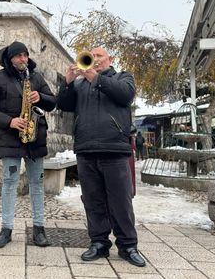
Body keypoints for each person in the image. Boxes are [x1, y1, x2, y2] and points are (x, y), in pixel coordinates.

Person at [57, 47, 145, 267]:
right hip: (86, 149)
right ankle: (98, 243)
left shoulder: (122, 78)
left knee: (120, 201)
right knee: (92, 200)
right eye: (91, 56)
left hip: (114, 150)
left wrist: (95, 78)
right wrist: (67, 82)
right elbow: (64, 105)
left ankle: (128, 246)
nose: (94, 60)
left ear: (110, 59)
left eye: (99, 56)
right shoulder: (80, 84)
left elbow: (125, 95)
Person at [0, 41, 56, 249]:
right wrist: (9, 121)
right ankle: (6, 229)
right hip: (10, 138)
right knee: (10, 183)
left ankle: (39, 229)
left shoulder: (36, 77)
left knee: (37, 184)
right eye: (18, 56)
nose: (23, 59)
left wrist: (41, 97)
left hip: (35, 138)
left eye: (25, 55)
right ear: (10, 59)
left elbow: (52, 102)